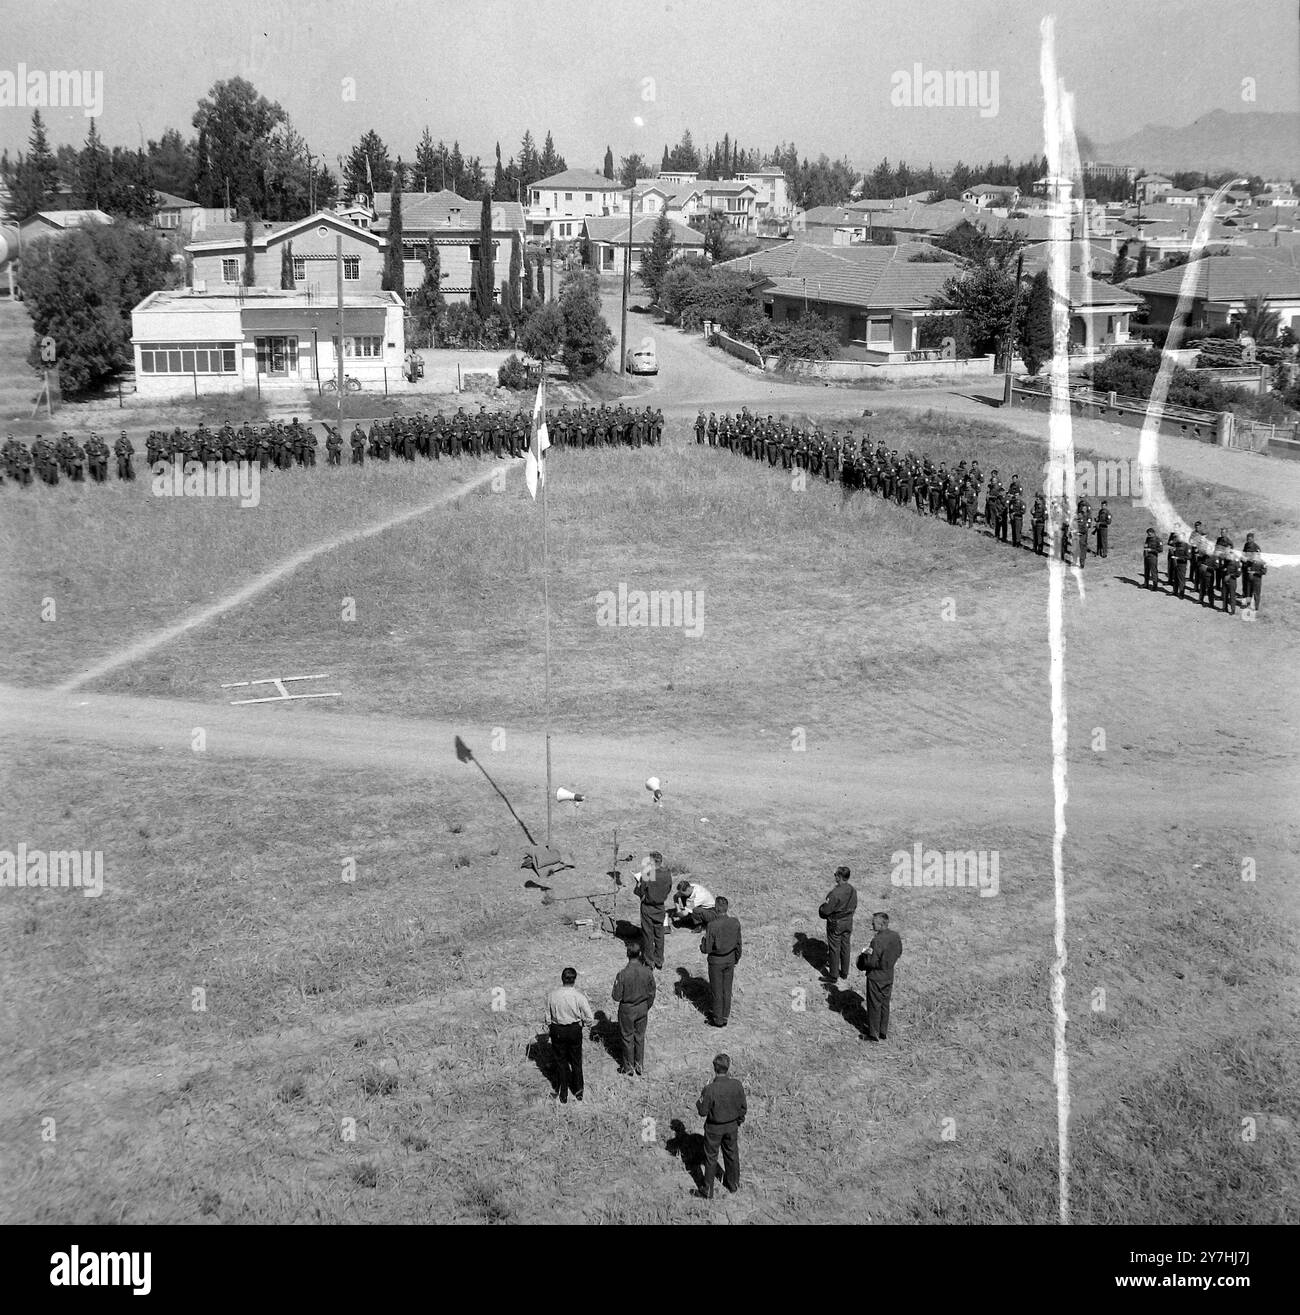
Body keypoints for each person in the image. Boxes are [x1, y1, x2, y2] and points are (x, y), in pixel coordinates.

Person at [696, 1053, 747, 1198]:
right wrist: (739, 1120)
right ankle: (733, 1185)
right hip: (732, 1127)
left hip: (714, 1129)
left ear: (714, 1068)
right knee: (732, 1155)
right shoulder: (736, 1085)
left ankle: (707, 1189)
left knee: (711, 1158)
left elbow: (702, 1111)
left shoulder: (710, 1089)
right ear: (728, 1067)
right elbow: (743, 1107)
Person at [545, 967, 595, 1103]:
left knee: (561, 1062)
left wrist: (552, 1027)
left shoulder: (552, 995)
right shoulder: (579, 996)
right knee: (576, 1061)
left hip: (557, 1030)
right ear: (574, 980)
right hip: (574, 1030)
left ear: (562, 979)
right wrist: (582, 1024)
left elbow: (547, 1017)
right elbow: (590, 1017)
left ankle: (563, 1093)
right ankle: (579, 1092)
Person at [611, 941, 656, 1076]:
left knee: (627, 1038)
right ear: (640, 953)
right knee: (640, 1037)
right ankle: (639, 1065)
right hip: (642, 1007)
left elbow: (616, 996)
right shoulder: (647, 972)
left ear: (627, 954)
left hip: (627, 1010)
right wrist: (646, 1006)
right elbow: (652, 993)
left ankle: (628, 1067)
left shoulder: (622, 974)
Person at [858, 912, 903, 1042]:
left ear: (882, 924)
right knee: (884, 1004)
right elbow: (899, 951)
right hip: (889, 975)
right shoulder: (895, 936)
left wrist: (862, 957)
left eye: (874, 922)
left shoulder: (877, 940)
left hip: (876, 977)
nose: (872, 924)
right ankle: (883, 1031)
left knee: (874, 1005)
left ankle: (873, 1034)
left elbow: (871, 961)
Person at [700, 896, 742, 1027]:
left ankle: (717, 1020)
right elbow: (739, 944)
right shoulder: (735, 922)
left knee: (717, 991)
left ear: (716, 908)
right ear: (727, 908)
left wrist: (702, 944)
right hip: (730, 960)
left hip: (716, 962)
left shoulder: (712, 925)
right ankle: (725, 1016)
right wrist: (736, 958)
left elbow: (706, 949)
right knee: (727, 990)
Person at [818, 865, 857, 988]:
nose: (834, 876)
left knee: (835, 948)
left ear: (839, 877)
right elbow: (854, 905)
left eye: (835, 875)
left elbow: (826, 911)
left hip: (836, 924)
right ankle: (844, 973)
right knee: (846, 946)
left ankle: (833, 975)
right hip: (848, 922)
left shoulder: (835, 893)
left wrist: (821, 909)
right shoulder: (852, 889)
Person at [634, 852, 673, 969]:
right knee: (659, 934)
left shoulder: (648, 874)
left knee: (648, 935)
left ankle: (649, 961)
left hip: (648, 907)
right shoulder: (667, 874)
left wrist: (638, 884)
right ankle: (659, 960)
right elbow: (669, 888)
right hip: (660, 907)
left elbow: (641, 891)